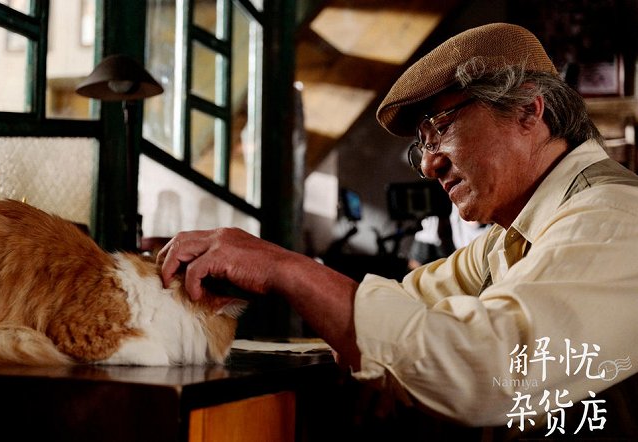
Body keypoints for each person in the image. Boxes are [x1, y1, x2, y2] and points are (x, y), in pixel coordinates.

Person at [158, 23, 638, 436]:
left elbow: (490, 370)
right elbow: (407, 303)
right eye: (421, 144)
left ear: (529, 113)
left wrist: (282, 267)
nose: (428, 165)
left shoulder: (614, 217)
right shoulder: (506, 240)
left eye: (440, 127)